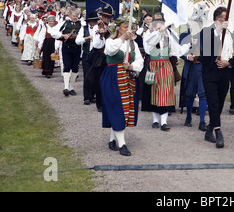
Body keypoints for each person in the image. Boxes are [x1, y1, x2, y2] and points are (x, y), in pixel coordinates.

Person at [100, 19, 143, 156]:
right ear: (118, 28)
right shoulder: (110, 41)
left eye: (131, 28)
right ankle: (122, 144)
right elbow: (110, 51)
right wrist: (123, 38)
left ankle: (112, 139)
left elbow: (139, 61)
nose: (129, 30)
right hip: (113, 77)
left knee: (125, 108)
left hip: (128, 78)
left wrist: (131, 66)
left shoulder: (133, 44)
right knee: (118, 107)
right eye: (126, 27)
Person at [198, 6, 234, 148]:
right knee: (213, 102)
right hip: (210, 71)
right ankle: (218, 131)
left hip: (224, 71)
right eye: (224, 18)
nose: (226, 21)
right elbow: (207, 47)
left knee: (220, 102)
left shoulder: (230, 35)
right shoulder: (207, 31)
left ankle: (209, 130)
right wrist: (219, 30)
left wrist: (229, 62)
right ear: (218, 18)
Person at [143, 16, 190, 131]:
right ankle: (155, 120)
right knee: (153, 93)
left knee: (165, 93)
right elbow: (148, 48)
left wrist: (188, 45)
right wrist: (158, 32)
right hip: (153, 66)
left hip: (165, 66)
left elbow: (177, 50)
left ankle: (164, 122)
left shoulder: (169, 35)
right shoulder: (149, 34)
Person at [76, 11, 106, 109]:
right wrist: (87, 38)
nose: (94, 22)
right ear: (89, 21)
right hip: (87, 54)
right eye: (92, 21)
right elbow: (77, 41)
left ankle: (94, 95)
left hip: (97, 55)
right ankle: (87, 97)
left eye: (95, 20)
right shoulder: (83, 28)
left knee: (96, 76)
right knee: (87, 75)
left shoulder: (100, 27)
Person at [179, 27, 208, 131]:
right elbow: (179, 51)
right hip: (190, 67)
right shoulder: (184, 35)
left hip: (202, 67)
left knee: (202, 93)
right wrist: (187, 56)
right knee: (190, 94)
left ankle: (202, 121)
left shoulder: (206, 34)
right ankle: (188, 117)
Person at [51, 8, 82, 97]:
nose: (75, 17)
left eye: (76, 16)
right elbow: (53, 31)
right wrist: (62, 35)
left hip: (77, 48)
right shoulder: (64, 23)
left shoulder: (81, 24)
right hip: (66, 47)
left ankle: (71, 87)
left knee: (75, 67)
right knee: (67, 66)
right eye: (73, 16)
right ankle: (66, 87)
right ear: (70, 16)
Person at [37, 14, 60, 79]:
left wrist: (56, 48)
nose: (50, 22)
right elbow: (41, 37)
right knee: (46, 57)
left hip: (53, 44)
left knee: (52, 58)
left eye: (52, 21)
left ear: (54, 22)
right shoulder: (45, 28)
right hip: (46, 44)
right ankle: (46, 71)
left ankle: (50, 71)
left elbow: (57, 39)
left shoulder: (56, 29)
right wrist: (39, 47)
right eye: (49, 21)